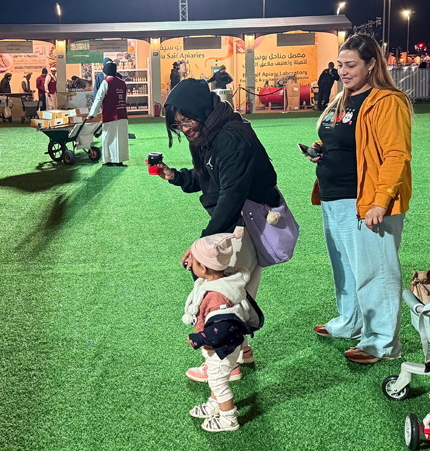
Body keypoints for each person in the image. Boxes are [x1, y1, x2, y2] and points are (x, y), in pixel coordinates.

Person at [152, 78, 279, 381]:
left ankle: (226, 365)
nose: (185, 128)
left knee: (222, 297)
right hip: (236, 222)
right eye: (179, 124)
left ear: (201, 109)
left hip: (243, 222)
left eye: (188, 119)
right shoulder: (210, 132)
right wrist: (176, 176)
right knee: (238, 292)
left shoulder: (231, 137)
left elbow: (231, 198)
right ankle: (242, 351)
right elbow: (206, 177)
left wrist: (202, 247)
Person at [307, 34, 412, 365]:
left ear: (372, 64)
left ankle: (381, 343)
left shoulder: (388, 101)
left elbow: (397, 155)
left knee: (376, 272)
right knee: (347, 269)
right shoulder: (341, 98)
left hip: (366, 200)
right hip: (333, 196)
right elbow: (343, 140)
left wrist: (380, 202)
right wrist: (321, 151)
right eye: (340, 65)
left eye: (351, 65)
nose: (343, 71)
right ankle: (350, 322)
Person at [183, 230, 261, 433]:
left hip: (221, 347)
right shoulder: (219, 280)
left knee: (219, 382)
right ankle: (214, 404)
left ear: (203, 266)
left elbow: (223, 329)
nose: (190, 262)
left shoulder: (218, 296)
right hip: (217, 347)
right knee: (215, 377)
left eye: (194, 259)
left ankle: (228, 419)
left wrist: (200, 338)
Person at [86, 61, 129, 165]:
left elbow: (98, 99)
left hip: (110, 114)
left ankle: (109, 160)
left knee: (108, 137)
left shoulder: (106, 82)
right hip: (122, 114)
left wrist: (92, 114)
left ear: (105, 72)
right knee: (121, 138)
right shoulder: (122, 83)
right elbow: (125, 98)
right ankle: (120, 160)